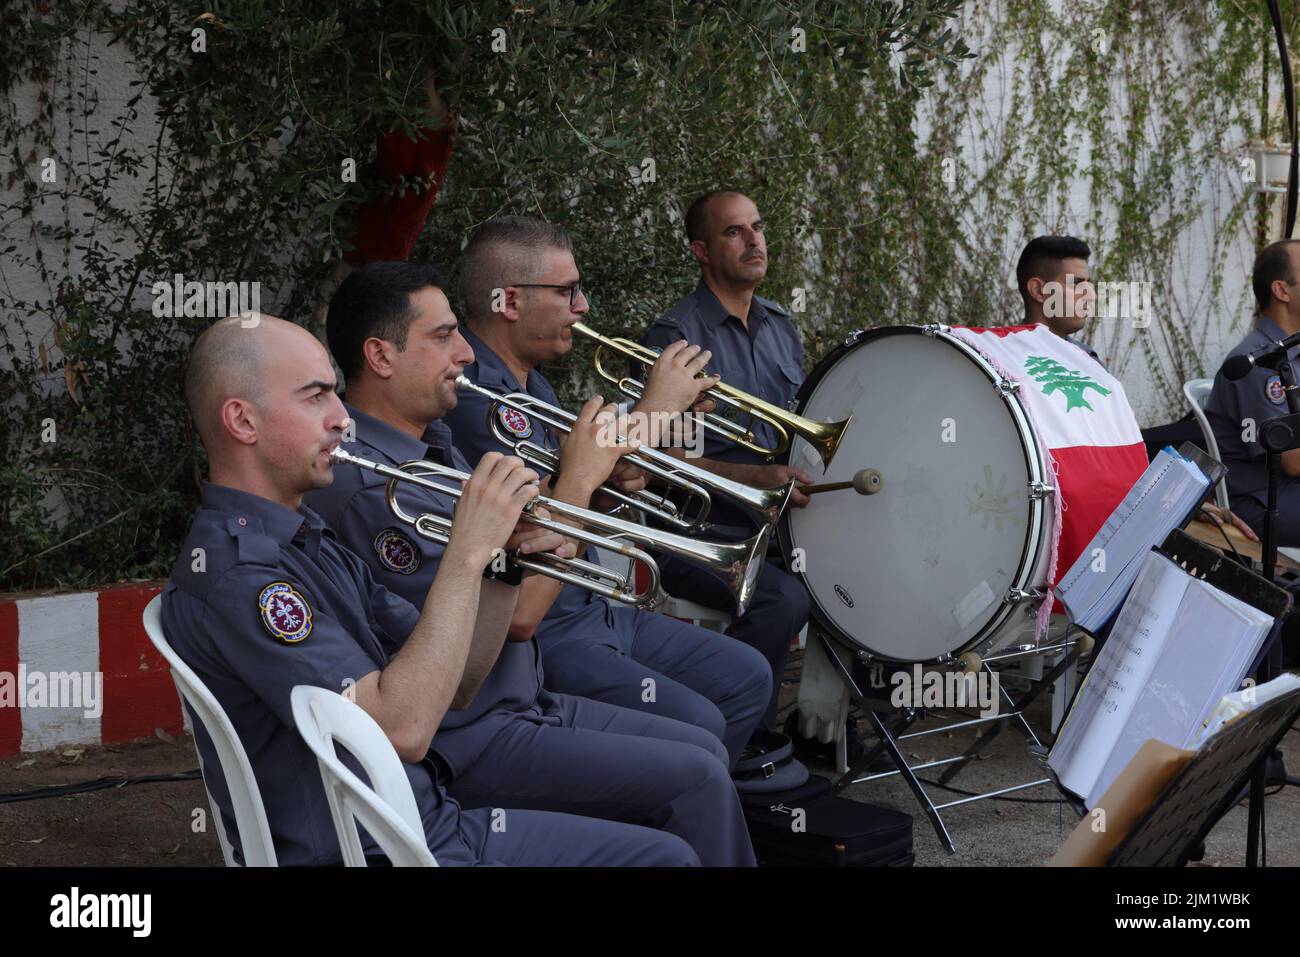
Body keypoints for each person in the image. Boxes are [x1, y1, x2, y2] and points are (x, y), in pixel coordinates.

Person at [162, 313, 699, 866]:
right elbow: (404, 729)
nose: (341, 417)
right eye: (315, 396)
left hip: (430, 822)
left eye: (335, 395)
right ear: (243, 421)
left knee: (669, 847)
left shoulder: (303, 537)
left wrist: (504, 562)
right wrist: (467, 552)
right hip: (380, 850)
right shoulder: (243, 576)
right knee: (667, 855)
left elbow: (460, 680)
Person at [304, 262, 756, 865]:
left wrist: (588, 489)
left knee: (707, 749)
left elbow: (509, 551)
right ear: (381, 357)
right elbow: (512, 618)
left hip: (525, 696)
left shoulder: (430, 444)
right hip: (473, 734)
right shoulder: (374, 486)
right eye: (443, 336)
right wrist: (579, 482)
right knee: (697, 781)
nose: (466, 353)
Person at [442, 216, 771, 768]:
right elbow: (538, 531)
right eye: (567, 290)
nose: (583, 306)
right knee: (699, 723)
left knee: (749, 677)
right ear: (510, 301)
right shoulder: (476, 396)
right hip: (546, 630)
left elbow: (569, 504)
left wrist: (615, 482)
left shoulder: (531, 380)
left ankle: (697, 801)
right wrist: (651, 413)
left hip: (594, 604)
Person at [640, 190, 812, 736]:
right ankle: (745, 742)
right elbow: (663, 459)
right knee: (781, 598)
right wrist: (756, 478)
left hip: (777, 522)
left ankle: (820, 725)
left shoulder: (780, 326)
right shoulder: (678, 335)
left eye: (757, 227)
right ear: (702, 250)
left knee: (861, 567)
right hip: (699, 531)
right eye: (734, 232)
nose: (754, 240)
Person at [1206, 239, 1300, 545]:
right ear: (1282, 291)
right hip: (1259, 500)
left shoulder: (1293, 353)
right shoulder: (1259, 363)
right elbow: (1293, 459)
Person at [1014, 235, 1101, 363]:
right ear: (1038, 290)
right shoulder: (1001, 358)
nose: (1091, 296)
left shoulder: (1089, 361)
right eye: (1076, 283)